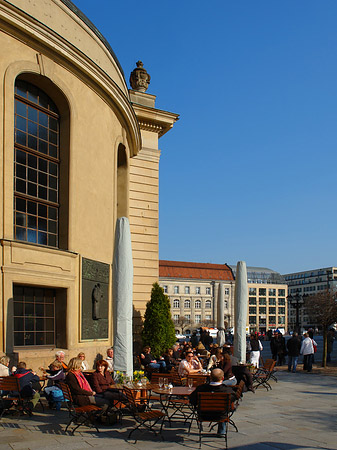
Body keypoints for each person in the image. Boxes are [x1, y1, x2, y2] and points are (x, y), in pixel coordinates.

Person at [189, 368, 236, 437]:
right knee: (225, 407)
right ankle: (221, 431)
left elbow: (192, 400)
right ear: (222, 378)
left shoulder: (201, 389)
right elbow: (233, 400)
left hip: (204, 415)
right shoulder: (227, 391)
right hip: (221, 416)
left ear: (210, 377)